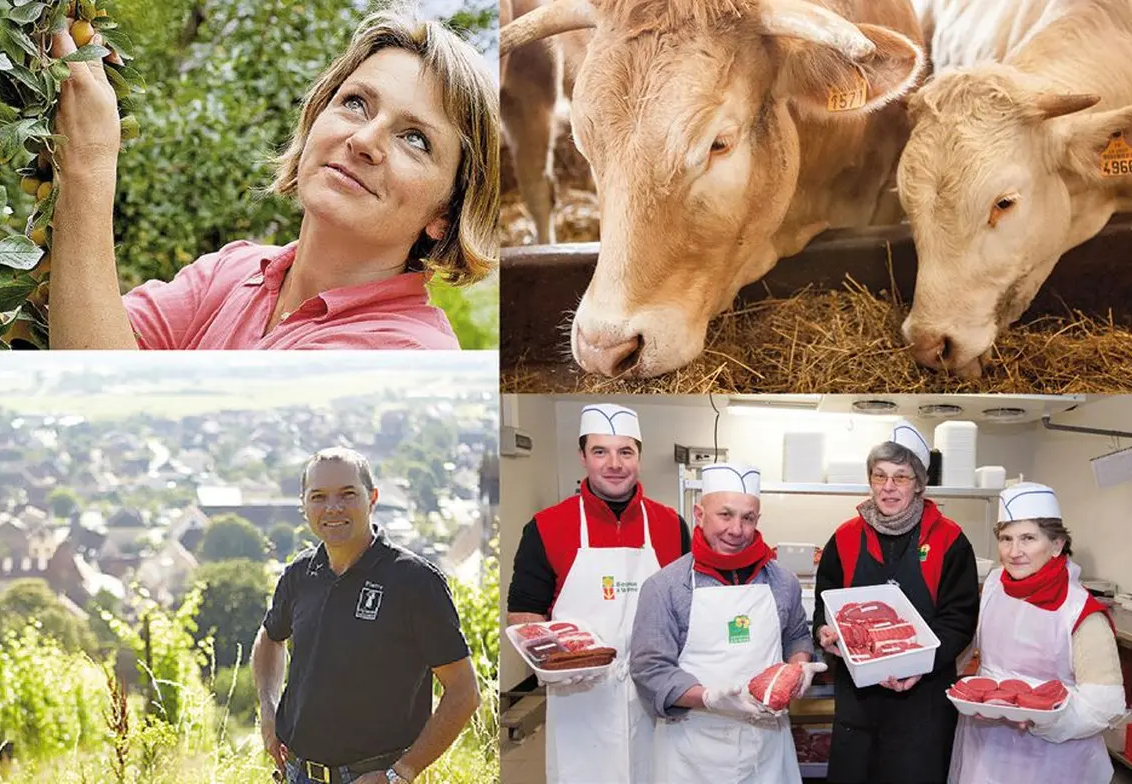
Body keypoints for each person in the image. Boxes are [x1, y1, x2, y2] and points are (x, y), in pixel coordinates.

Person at [48, 6, 499, 349]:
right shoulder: (234, 270)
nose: (365, 140)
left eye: (415, 139)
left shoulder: (404, 349)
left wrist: (87, 161)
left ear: (447, 213)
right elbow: (90, 330)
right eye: (357, 103)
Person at [251, 447, 480, 784]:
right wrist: (268, 710)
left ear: (372, 498)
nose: (332, 508)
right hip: (297, 773)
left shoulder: (414, 581)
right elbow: (270, 637)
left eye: (347, 494)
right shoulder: (300, 573)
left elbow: (465, 693)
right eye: (318, 497)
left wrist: (400, 773)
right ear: (304, 506)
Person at [505, 403, 690, 784]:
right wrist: (554, 664)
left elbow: (689, 608)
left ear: (639, 456)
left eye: (625, 451)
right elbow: (524, 613)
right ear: (582, 457)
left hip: (653, 691)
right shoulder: (547, 526)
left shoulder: (670, 524)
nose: (614, 464)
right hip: (580, 696)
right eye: (600, 451)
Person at [630, 461, 826, 782]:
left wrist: (799, 666)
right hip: (691, 751)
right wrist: (709, 698)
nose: (736, 530)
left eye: (747, 518)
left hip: (766, 749)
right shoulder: (665, 586)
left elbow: (796, 638)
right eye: (725, 514)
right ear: (699, 514)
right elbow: (650, 670)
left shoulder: (782, 582)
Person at [813, 420, 980, 783]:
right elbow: (822, 611)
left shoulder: (950, 540)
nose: (888, 487)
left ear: (920, 483)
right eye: (879, 476)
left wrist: (920, 664)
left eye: (901, 477)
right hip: (857, 705)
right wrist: (825, 635)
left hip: (924, 704)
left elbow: (959, 620)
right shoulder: (843, 538)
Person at [948, 482, 1126, 784]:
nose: (1014, 552)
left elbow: (1105, 704)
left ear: (1056, 545)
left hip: (1053, 758)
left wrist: (1039, 717)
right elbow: (972, 646)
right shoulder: (994, 584)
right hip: (985, 745)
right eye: (1006, 538)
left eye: (1028, 538)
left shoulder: (1081, 612)